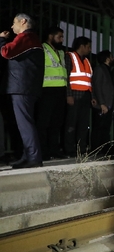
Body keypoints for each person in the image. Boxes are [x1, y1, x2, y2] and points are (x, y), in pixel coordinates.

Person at [0, 13, 44, 169]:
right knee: (25, 122)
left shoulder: (26, 37)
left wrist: (1, 40)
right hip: (26, 87)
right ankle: (28, 156)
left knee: (25, 123)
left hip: (23, 87)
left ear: (23, 21)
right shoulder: (32, 39)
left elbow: (6, 52)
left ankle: (33, 157)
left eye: (14, 23)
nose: (12, 27)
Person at [36, 26, 69, 160]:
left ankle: (54, 150)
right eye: (59, 37)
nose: (61, 39)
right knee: (43, 123)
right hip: (46, 89)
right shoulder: (42, 48)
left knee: (56, 122)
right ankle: (43, 152)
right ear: (51, 36)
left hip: (60, 90)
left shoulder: (61, 52)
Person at [64, 36, 93, 156]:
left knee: (83, 124)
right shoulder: (69, 57)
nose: (90, 49)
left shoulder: (86, 61)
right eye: (88, 46)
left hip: (85, 96)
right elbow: (65, 77)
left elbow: (89, 79)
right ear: (82, 46)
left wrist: (92, 96)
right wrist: (68, 95)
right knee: (71, 123)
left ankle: (81, 148)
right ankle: (69, 149)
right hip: (74, 96)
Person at [91, 50, 114, 154]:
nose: (113, 58)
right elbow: (97, 86)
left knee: (105, 128)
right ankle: (96, 150)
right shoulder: (100, 69)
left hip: (108, 104)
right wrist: (101, 103)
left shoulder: (109, 70)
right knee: (99, 128)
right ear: (107, 58)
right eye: (111, 56)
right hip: (102, 105)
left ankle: (104, 149)